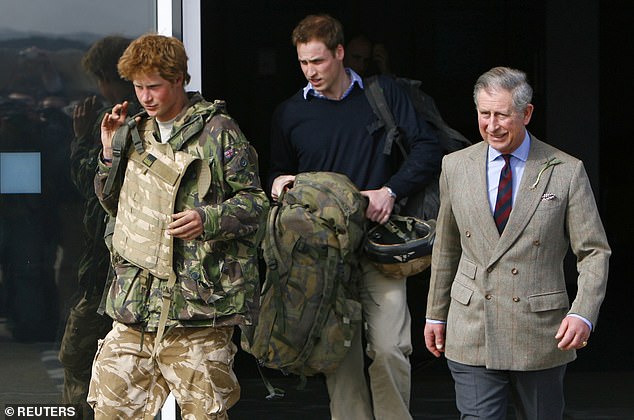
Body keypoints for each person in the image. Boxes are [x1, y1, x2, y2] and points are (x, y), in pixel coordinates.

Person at [86, 33, 269, 419]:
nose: (145, 97)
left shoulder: (218, 131)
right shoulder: (134, 133)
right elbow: (113, 204)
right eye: (138, 87)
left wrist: (207, 218)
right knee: (109, 408)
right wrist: (108, 151)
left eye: (154, 86)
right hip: (136, 307)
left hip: (197, 311)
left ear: (179, 80)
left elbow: (255, 203)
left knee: (205, 412)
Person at [269, 14, 442, 420]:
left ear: (340, 53)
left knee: (389, 347)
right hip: (322, 253)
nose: (311, 72)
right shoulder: (289, 113)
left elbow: (427, 149)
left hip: (380, 245)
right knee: (338, 358)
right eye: (303, 63)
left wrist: (390, 190)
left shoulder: (384, 95)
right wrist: (279, 185)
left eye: (318, 61)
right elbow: (275, 173)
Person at [423, 66, 611, 419]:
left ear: (526, 113)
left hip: (539, 331)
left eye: (502, 115)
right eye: (484, 114)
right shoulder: (455, 166)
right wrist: (435, 313)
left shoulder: (565, 170)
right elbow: (446, 245)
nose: (492, 125)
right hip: (472, 323)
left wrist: (583, 312)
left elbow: (593, 251)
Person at [57, 35, 135, 420]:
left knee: (79, 351)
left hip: (115, 264)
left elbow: (93, 180)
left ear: (108, 76)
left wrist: (80, 139)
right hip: (106, 262)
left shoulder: (125, 121)